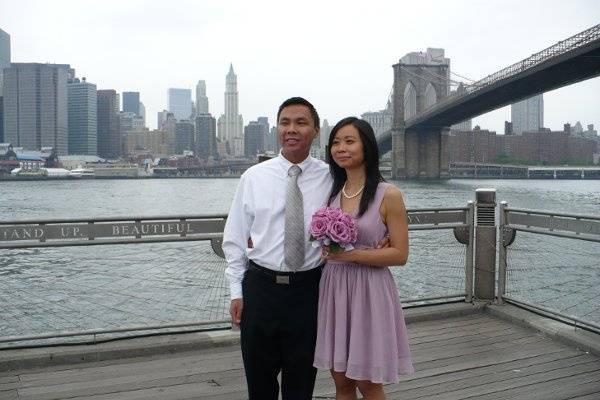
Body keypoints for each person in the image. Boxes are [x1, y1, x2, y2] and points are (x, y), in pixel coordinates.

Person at [222, 97, 331, 400]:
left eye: (301, 122)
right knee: (260, 388)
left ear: (316, 130)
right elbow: (234, 239)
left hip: (310, 292)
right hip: (260, 290)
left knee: (301, 387)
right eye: (285, 122)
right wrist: (236, 291)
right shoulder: (253, 177)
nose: (291, 129)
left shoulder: (331, 178)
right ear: (277, 128)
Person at [313, 117, 414, 400]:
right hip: (334, 289)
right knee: (341, 381)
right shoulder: (331, 193)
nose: (340, 148)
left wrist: (351, 255)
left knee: (368, 383)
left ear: (367, 147)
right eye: (335, 142)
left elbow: (401, 254)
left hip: (369, 291)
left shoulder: (388, 194)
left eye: (349, 141)